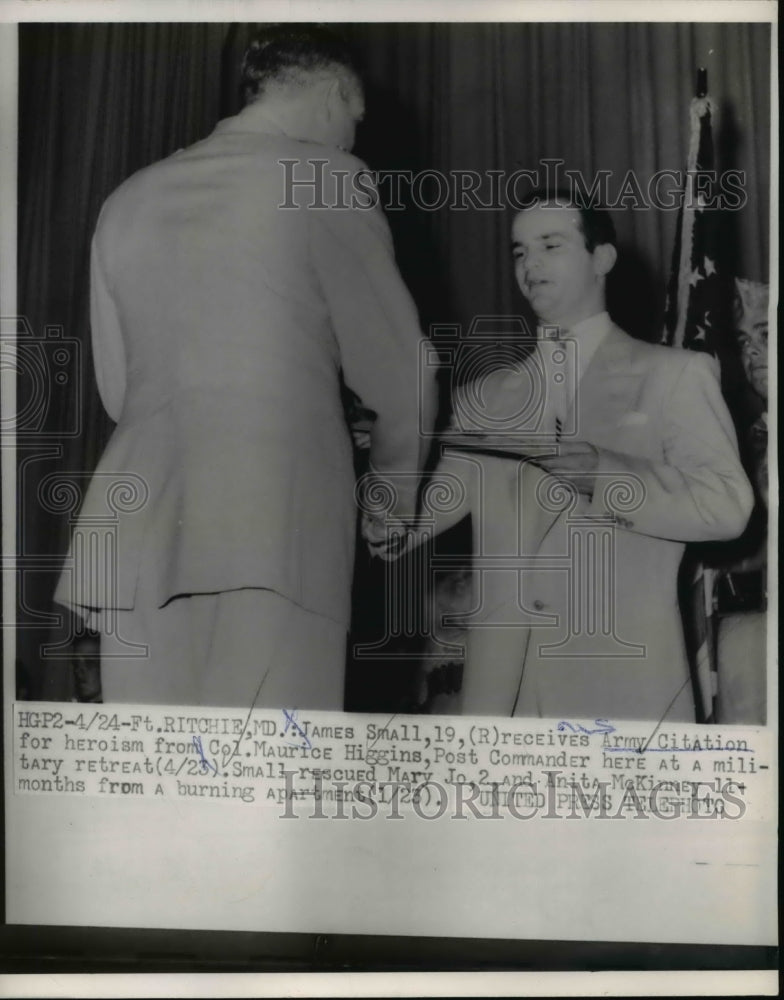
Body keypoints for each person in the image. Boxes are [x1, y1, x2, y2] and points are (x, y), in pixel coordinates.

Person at [54, 25, 436, 709]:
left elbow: (119, 392)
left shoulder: (127, 198)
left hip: (135, 537)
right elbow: (404, 373)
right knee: (272, 790)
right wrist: (392, 498)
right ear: (332, 93)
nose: (354, 136)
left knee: (156, 795)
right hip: (275, 532)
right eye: (356, 118)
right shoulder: (325, 177)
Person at [391, 191, 753, 721]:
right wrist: (378, 492)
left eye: (550, 245)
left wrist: (606, 475)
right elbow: (422, 512)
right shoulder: (486, 397)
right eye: (518, 251)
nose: (529, 264)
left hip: (625, 686)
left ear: (601, 259)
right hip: (504, 697)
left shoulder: (674, 374)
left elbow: (728, 506)